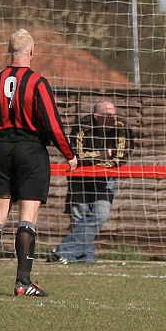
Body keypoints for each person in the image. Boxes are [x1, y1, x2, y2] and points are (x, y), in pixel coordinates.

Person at [0, 29, 78, 297]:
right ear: (31, 52)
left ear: (9, 51)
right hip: (31, 151)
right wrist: (69, 153)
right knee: (27, 218)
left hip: (5, 150)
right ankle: (23, 282)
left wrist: (0, 145)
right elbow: (53, 124)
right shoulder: (37, 82)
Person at [50, 100, 132, 264]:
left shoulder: (122, 128)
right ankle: (85, 258)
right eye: (107, 115)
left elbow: (120, 158)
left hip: (106, 178)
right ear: (96, 117)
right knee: (79, 216)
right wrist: (103, 154)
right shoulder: (81, 127)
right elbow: (77, 157)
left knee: (101, 214)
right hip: (79, 176)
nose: (112, 118)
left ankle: (62, 251)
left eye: (114, 114)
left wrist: (96, 159)